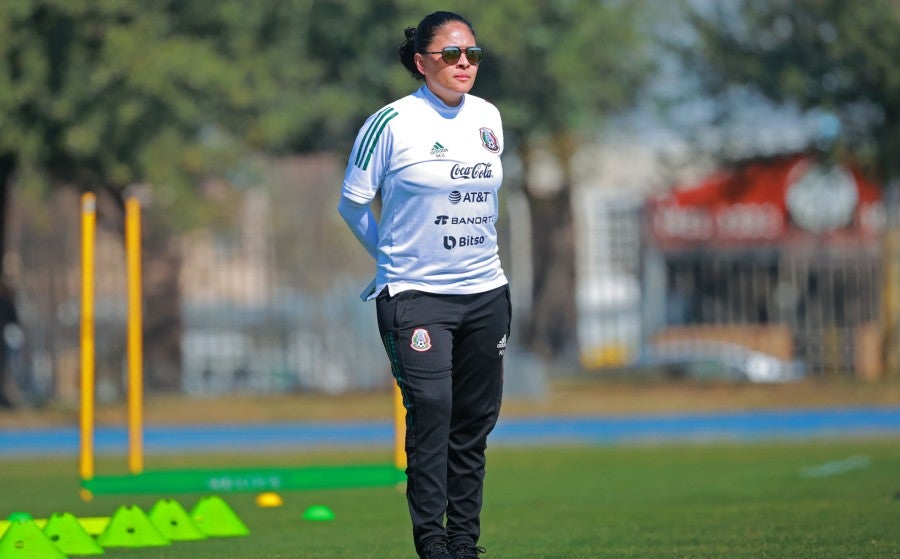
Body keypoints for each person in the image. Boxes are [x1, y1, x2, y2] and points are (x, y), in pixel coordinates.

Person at [337, 11, 510, 559]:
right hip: (415, 296)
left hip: (486, 292)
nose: (464, 64)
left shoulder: (489, 118)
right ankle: (432, 544)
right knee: (433, 406)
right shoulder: (390, 123)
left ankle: (464, 543)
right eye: (451, 55)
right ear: (421, 61)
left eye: (472, 55)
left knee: (474, 422)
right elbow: (353, 202)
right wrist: (387, 259)